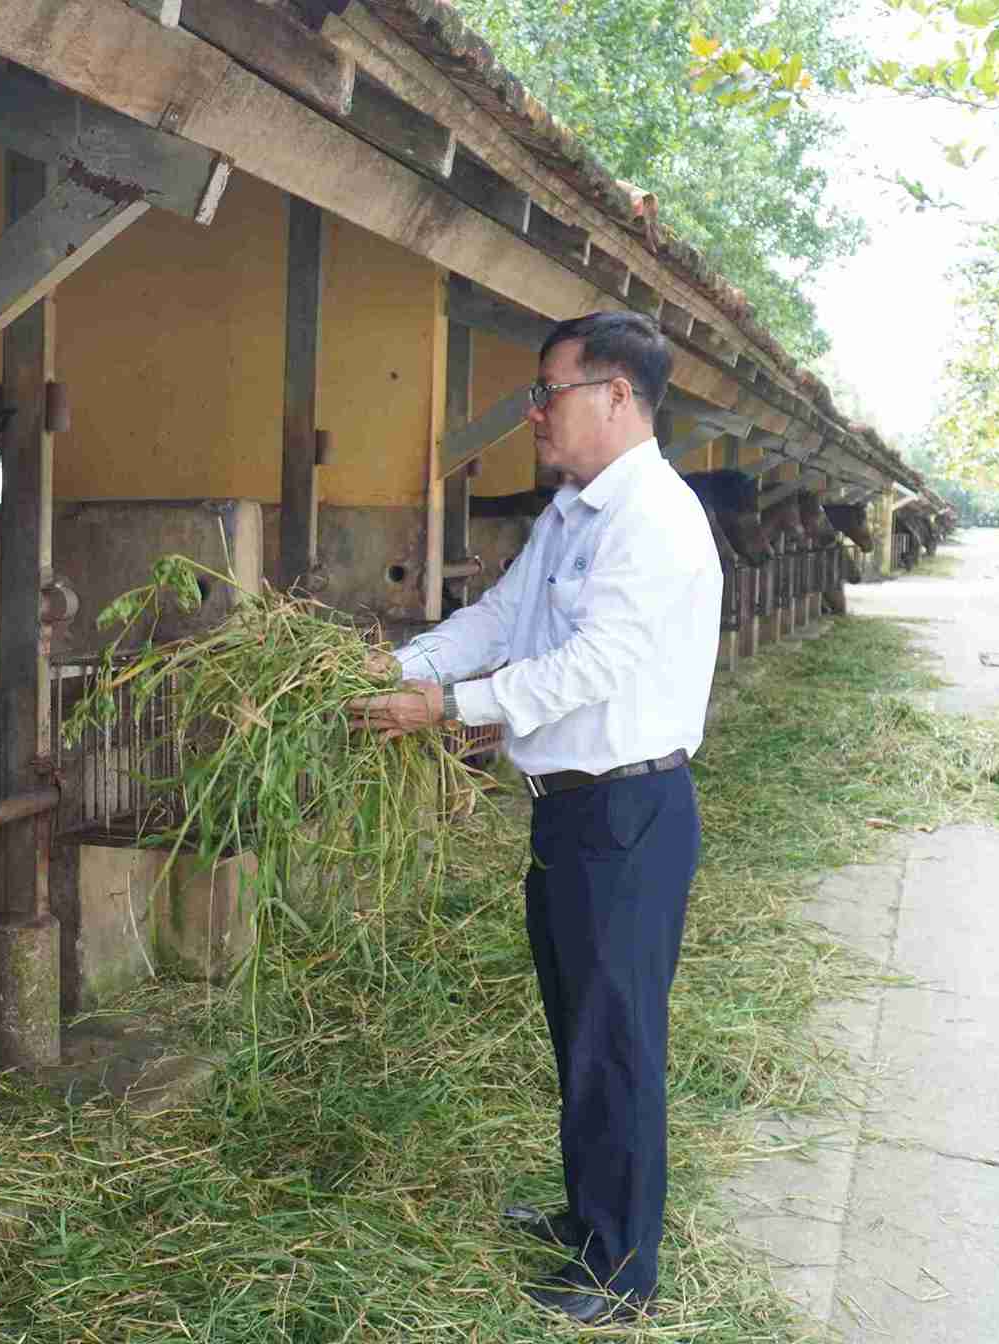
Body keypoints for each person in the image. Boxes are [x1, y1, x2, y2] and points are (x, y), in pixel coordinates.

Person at [355, 310, 721, 1323]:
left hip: (629, 809)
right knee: (579, 1023)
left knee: (618, 1037)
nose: (533, 417)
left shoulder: (655, 518)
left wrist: (454, 707)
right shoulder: (573, 514)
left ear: (615, 396)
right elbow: (503, 620)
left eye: (546, 394)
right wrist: (392, 669)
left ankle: (620, 1272)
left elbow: (592, 665)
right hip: (566, 812)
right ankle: (589, 1214)